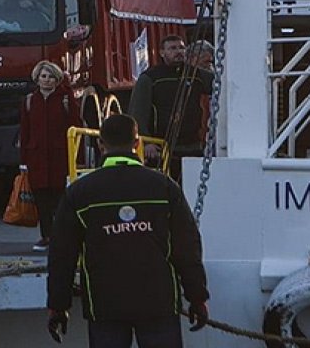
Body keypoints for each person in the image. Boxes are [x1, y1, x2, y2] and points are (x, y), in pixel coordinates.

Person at [46, 114, 209, 348]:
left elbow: (62, 255)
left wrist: (58, 306)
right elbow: (187, 248)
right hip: (158, 302)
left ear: (100, 144)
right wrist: (197, 297)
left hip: (104, 304)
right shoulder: (164, 187)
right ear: (137, 144)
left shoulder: (79, 193)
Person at [127, 35, 213, 185]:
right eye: (172, 48)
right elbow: (137, 110)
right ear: (161, 52)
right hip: (162, 149)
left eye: (181, 47)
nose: (178, 51)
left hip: (192, 147)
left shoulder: (196, 75)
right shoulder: (150, 78)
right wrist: (146, 142)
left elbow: (222, 85)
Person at [19, 61, 82, 253]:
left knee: (60, 198)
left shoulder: (65, 98)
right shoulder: (30, 100)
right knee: (42, 199)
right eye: (43, 76)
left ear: (57, 79)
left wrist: (75, 158)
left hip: (59, 156)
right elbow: (25, 131)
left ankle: (63, 236)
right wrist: (23, 161)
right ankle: (46, 236)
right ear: (37, 78)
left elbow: (75, 125)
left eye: (51, 77)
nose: (47, 80)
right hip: (36, 157)